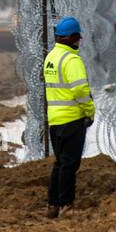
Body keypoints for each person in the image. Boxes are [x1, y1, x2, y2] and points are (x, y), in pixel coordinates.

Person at [42, 16, 95, 218]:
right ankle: (66, 204)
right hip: (72, 119)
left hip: (55, 120)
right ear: (72, 37)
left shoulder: (51, 58)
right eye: (77, 38)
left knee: (60, 163)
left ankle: (52, 204)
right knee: (70, 164)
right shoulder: (71, 60)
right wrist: (89, 111)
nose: (79, 42)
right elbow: (80, 90)